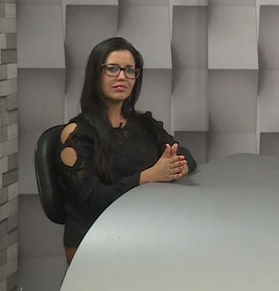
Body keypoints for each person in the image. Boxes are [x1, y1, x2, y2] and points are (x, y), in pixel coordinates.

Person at [58, 37, 197, 264]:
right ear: (96, 74)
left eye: (130, 70)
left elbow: (182, 152)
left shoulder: (144, 122)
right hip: (94, 236)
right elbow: (91, 199)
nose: (122, 76)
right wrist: (147, 177)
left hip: (143, 227)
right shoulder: (76, 134)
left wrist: (177, 167)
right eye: (112, 69)